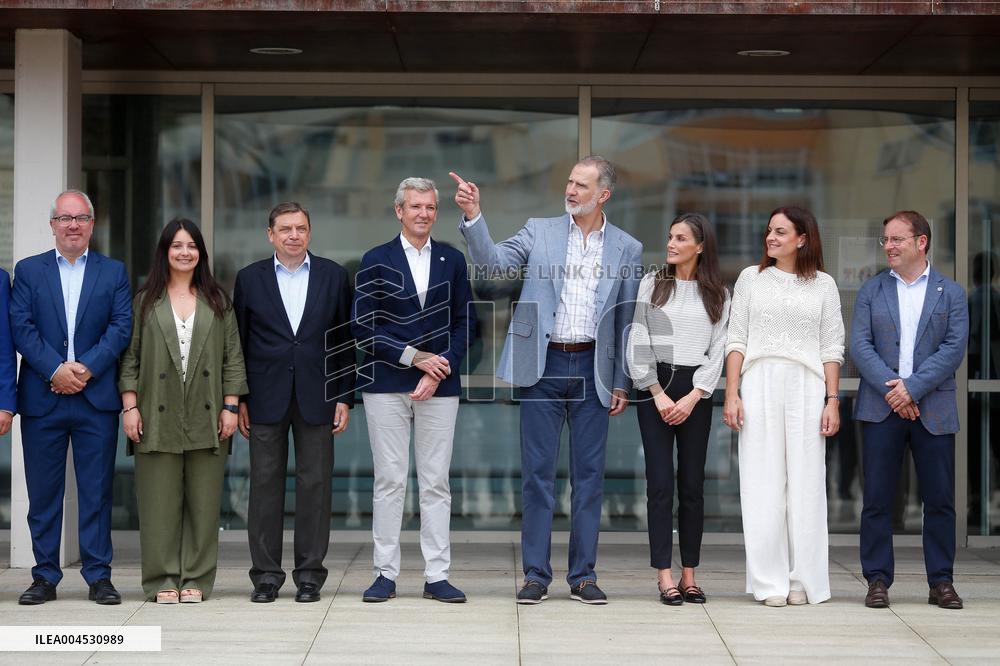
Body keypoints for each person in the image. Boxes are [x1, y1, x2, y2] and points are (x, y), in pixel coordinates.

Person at [451, 156, 642, 605]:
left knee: (589, 478)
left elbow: (626, 318)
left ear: (603, 195)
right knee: (537, 476)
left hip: (594, 368)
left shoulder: (627, 247)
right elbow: (494, 266)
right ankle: (535, 575)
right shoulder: (539, 230)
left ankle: (583, 576)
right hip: (543, 365)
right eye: (570, 182)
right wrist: (474, 216)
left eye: (581, 185)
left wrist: (622, 381)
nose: (571, 190)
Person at [352, 177, 475, 604]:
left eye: (430, 207)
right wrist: (414, 358)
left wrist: (438, 369)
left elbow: (465, 322)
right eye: (415, 206)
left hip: (440, 385)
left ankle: (437, 575)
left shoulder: (452, 259)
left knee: (436, 482)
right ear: (399, 211)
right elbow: (363, 326)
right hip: (386, 384)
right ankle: (384, 574)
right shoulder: (375, 260)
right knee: (389, 480)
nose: (423, 213)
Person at [11, 189, 132, 605]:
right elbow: (21, 326)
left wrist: (86, 368)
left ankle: (99, 577)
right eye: (65, 218)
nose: (73, 225)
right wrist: (55, 369)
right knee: (43, 494)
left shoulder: (113, 272)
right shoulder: (29, 270)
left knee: (96, 493)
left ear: (92, 225)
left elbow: (121, 326)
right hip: (42, 397)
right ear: (53, 225)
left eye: (81, 218)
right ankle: (44, 577)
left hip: (95, 399)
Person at [119, 218, 247, 603]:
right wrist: (130, 407)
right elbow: (130, 359)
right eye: (177, 245)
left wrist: (230, 406)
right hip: (155, 415)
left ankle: (196, 578)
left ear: (201, 254)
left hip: (207, 415)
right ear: (165, 251)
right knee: (158, 505)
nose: (185, 252)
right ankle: (162, 580)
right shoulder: (145, 301)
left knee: (204, 505)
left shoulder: (218, 301)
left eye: (191, 246)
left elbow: (233, 359)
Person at [234, 201, 355, 604]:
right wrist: (240, 398)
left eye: (301, 228)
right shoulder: (249, 278)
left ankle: (309, 576)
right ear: (270, 234)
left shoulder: (333, 276)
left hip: (319, 395)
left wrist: (344, 396)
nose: (293, 235)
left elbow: (345, 341)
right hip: (264, 397)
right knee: (264, 487)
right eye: (285, 229)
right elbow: (239, 343)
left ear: (309, 232)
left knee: (315, 486)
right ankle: (266, 576)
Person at [723, 205, 844, 607]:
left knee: (807, 485)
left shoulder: (824, 285)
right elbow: (736, 339)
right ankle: (769, 581)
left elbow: (831, 347)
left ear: (802, 239)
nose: (770, 238)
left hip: (807, 385)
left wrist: (832, 400)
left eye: (780, 231)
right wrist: (732, 392)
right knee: (761, 483)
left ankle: (803, 579)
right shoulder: (750, 279)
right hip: (759, 382)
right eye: (769, 231)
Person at [850, 210, 969, 610]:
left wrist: (912, 389)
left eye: (897, 239)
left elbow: (953, 348)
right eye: (886, 239)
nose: (889, 246)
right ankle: (877, 580)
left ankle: (941, 582)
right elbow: (860, 345)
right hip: (881, 408)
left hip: (933, 410)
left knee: (939, 500)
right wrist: (895, 391)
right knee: (877, 499)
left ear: (921, 242)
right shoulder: (872, 290)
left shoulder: (951, 292)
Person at [626, 213, 729, 605]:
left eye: (681, 238)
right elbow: (638, 338)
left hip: (695, 393)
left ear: (700, 246)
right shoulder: (652, 284)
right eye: (670, 236)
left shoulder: (718, 293)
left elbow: (718, 349)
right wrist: (656, 391)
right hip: (656, 386)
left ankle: (689, 574)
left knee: (692, 486)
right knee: (659, 484)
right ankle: (664, 576)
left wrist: (693, 395)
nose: (671, 243)